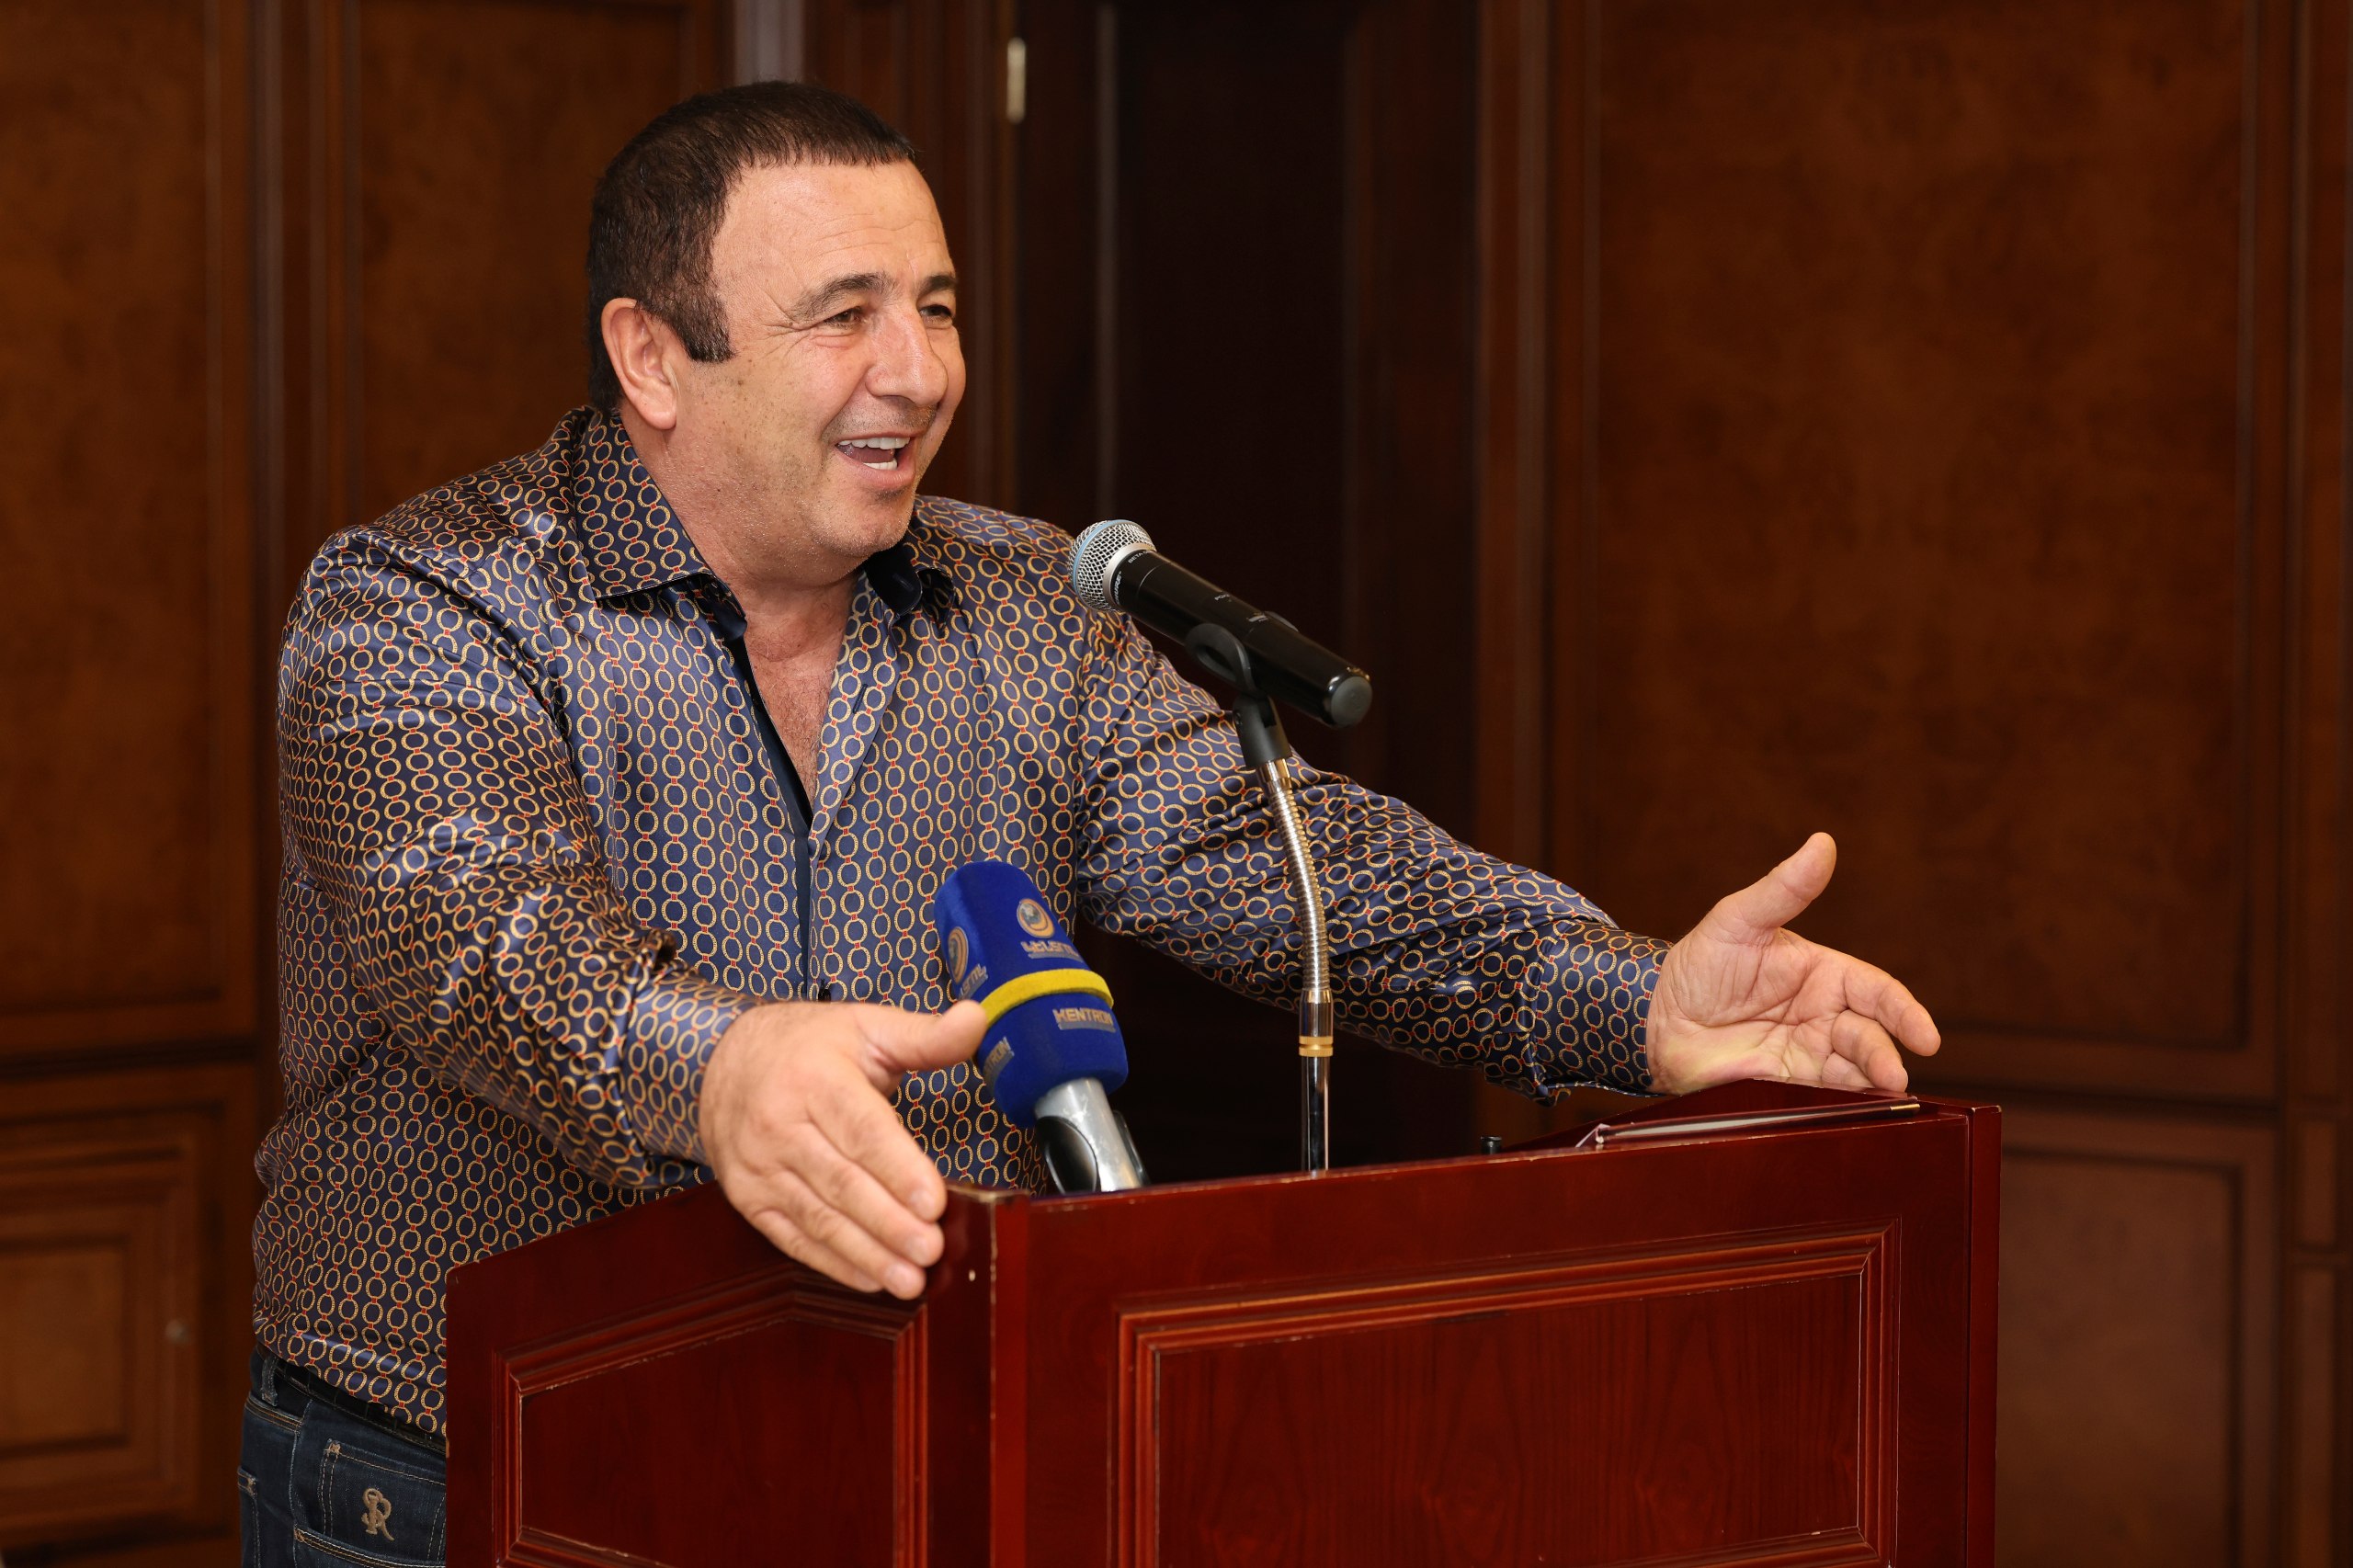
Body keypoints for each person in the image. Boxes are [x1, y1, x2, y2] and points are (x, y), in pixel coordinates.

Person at [238, 80, 1939, 1564]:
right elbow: (487, 940)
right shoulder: (421, 603)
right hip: (456, 1475)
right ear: (652, 357)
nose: (920, 369)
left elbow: (1304, 872)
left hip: (889, 1454)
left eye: (937, 305)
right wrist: (722, 1067)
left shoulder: (1023, 604)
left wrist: (1631, 994)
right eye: (844, 314)